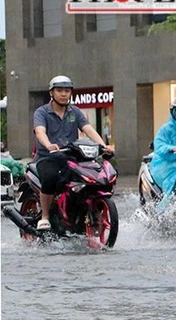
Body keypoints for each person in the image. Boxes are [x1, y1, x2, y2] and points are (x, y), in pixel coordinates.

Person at [31, 75, 114, 230]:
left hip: (71, 158)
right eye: (59, 90)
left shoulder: (74, 112)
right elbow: (40, 132)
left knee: (91, 177)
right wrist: (49, 145)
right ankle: (45, 216)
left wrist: (104, 145)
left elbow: (88, 129)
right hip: (48, 158)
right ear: (51, 93)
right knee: (50, 178)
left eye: (67, 91)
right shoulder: (41, 112)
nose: (63, 94)